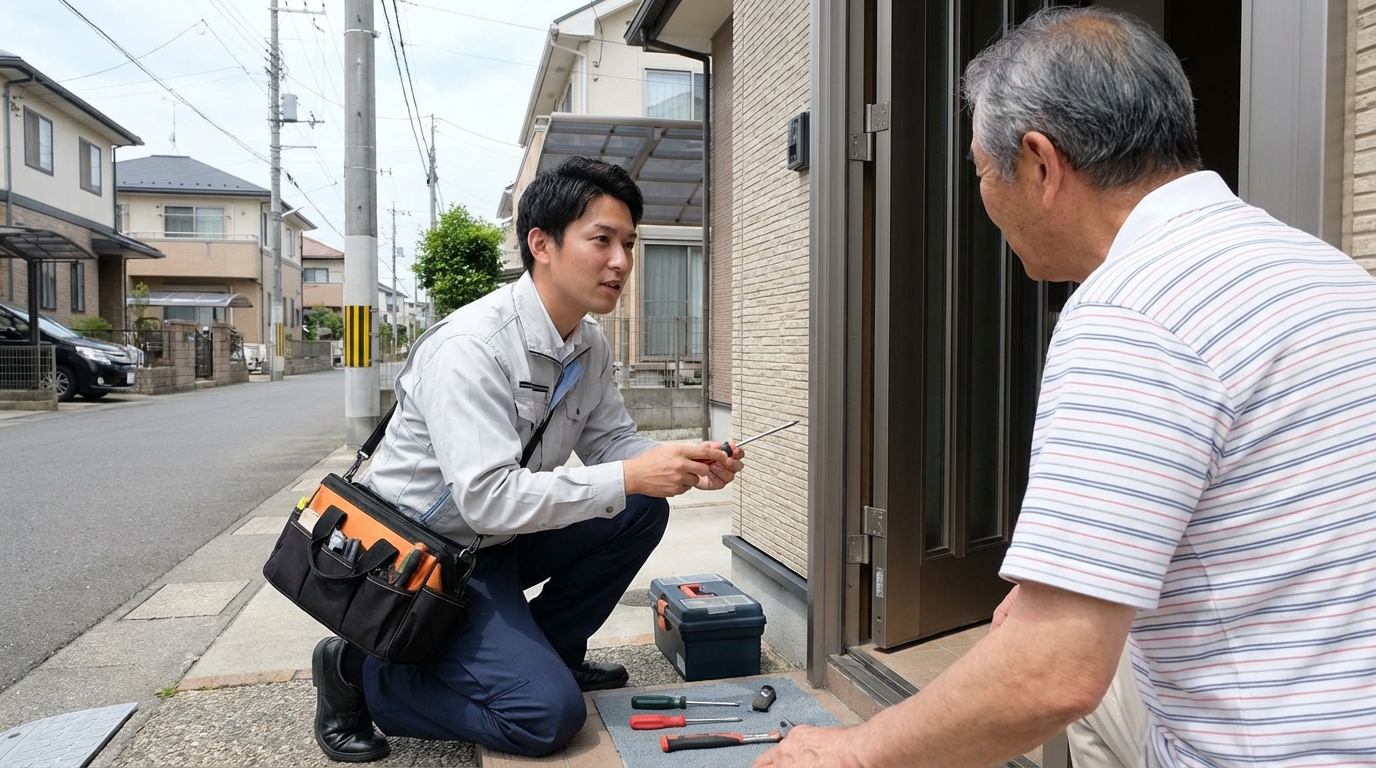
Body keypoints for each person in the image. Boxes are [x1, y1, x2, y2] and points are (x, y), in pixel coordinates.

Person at [755, 7, 1376, 767]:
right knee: (1089, 652)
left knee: (1059, 665)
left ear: (1042, 164)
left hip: (1264, 751)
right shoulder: (1330, 272)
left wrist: (848, 754)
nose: (984, 199)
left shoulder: (1130, 309)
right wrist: (1070, 593)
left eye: (983, 171)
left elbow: (1048, 677)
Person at [310, 156, 746, 762]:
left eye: (628, 242)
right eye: (601, 240)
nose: (621, 261)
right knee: (545, 718)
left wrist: (676, 459)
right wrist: (628, 473)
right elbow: (487, 499)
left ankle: (553, 655)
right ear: (541, 243)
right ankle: (359, 674)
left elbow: (611, 443)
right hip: (423, 561)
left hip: (493, 545)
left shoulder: (586, 342)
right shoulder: (472, 348)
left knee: (641, 505)